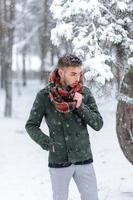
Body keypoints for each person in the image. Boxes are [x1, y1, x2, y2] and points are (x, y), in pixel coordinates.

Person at [25, 54, 103, 200]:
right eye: (73, 74)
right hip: (59, 160)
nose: (77, 78)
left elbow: (98, 124)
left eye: (79, 74)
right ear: (61, 72)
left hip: (83, 158)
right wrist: (48, 143)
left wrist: (81, 106)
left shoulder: (84, 93)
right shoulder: (45, 96)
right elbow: (31, 125)